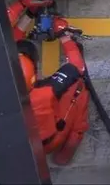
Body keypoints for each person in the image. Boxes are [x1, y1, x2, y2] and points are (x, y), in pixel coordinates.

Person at [20, 16, 90, 165]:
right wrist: (64, 36)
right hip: (49, 143)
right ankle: (65, 153)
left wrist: (27, 13)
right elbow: (77, 67)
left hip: (18, 148)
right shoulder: (45, 92)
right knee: (78, 88)